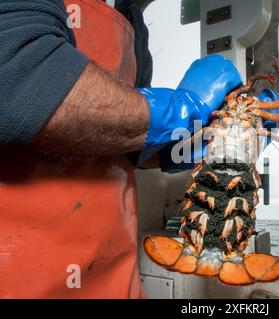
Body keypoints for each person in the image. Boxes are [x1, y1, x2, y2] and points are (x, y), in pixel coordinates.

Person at [0, 0, 243, 298]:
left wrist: (210, 143)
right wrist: (183, 108)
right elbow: (21, 79)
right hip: (16, 274)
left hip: (114, 275)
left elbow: (133, 137)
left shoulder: (131, 18)